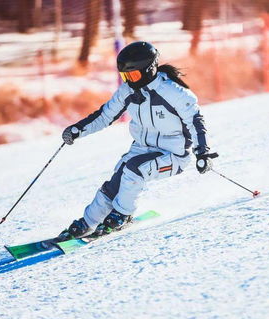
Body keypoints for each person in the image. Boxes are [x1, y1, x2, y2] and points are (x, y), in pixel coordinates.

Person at [58, 41, 217, 240]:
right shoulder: (128, 91)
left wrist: (202, 152)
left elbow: (195, 121)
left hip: (173, 154)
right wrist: (78, 129)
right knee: (115, 183)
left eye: (133, 75)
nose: (129, 81)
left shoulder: (173, 92)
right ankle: (87, 223)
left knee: (135, 169)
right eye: (125, 76)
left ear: (149, 70)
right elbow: (105, 116)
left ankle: (122, 215)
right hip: (142, 149)